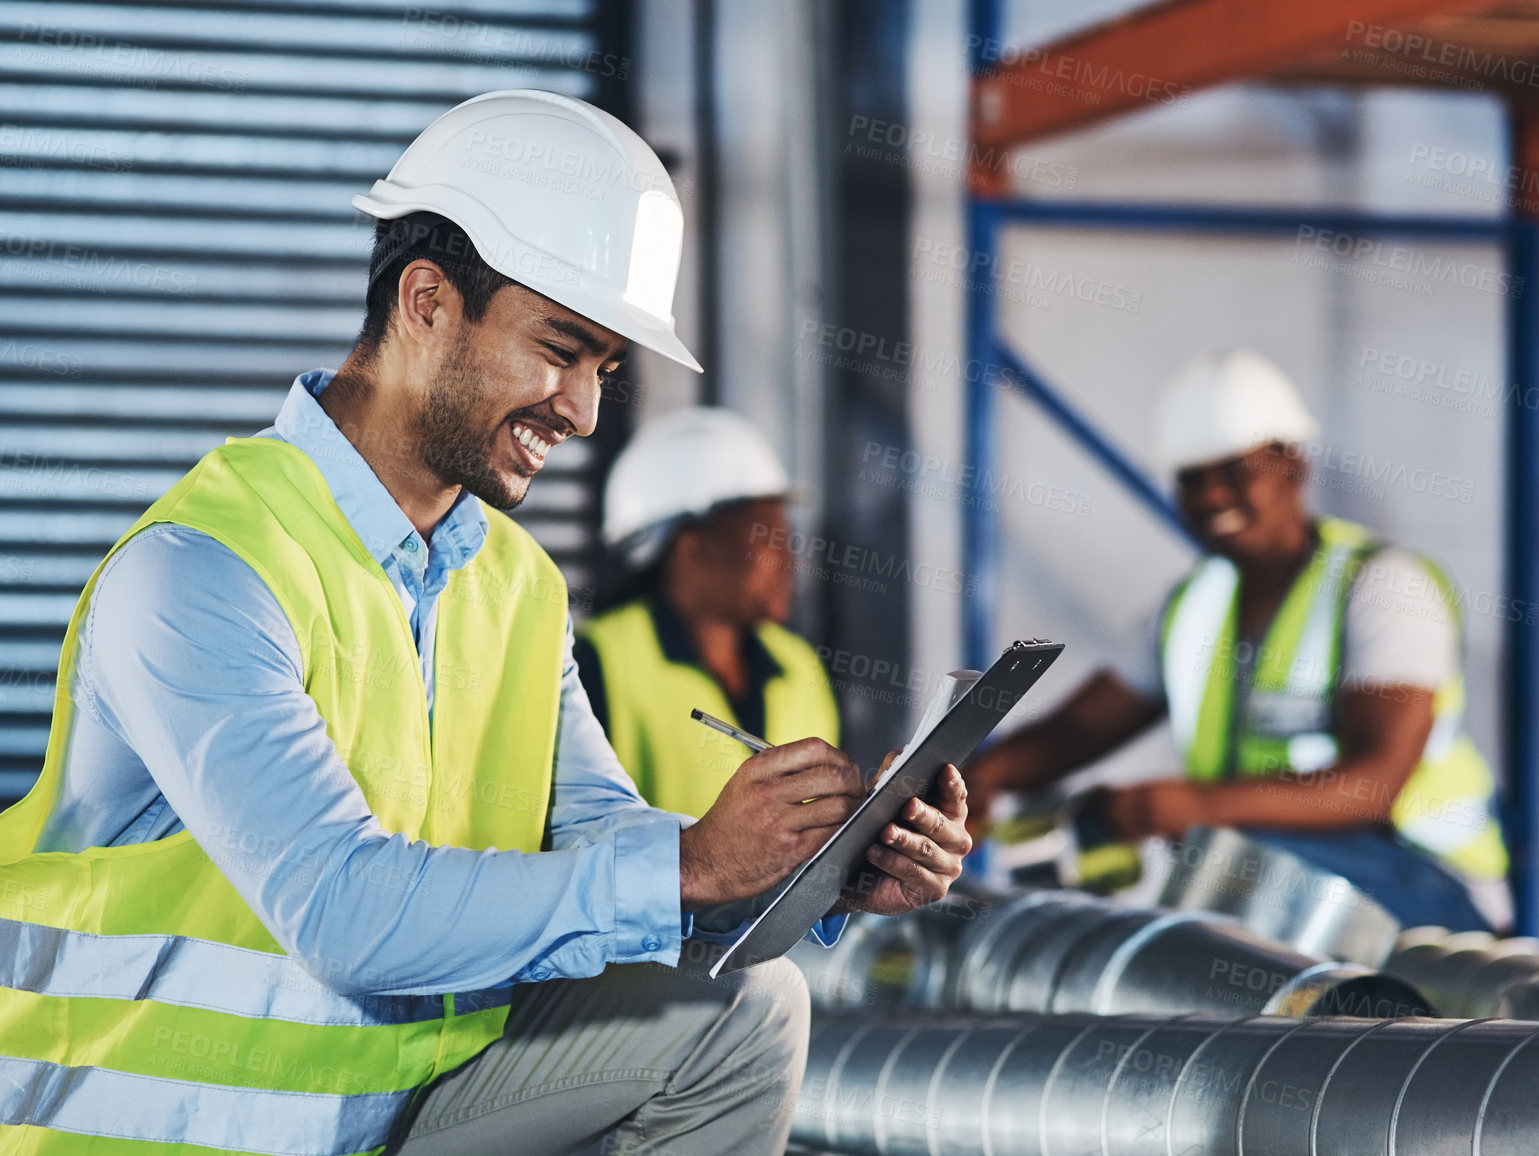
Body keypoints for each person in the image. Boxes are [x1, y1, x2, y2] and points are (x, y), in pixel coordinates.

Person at [0, 91, 970, 1156]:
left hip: (389, 1111)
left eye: (603, 368)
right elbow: (342, 911)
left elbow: (595, 828)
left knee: (745, 1012)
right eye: (559, 349)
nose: (583, 410)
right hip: (148, 1137)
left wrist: (803, 866)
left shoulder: (513, 584)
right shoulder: (202, 573)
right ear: (426, 302)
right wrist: (689, 863)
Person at [965, 349, 1509, 932]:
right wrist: (979, 780)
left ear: (1292, 465)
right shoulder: (1191, 608)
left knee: (1219, 888)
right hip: (1272, 872)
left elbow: (1372, 786)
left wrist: (1186, 806)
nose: (1212, 498)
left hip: (1428, 887)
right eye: (1192, 479)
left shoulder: (1382, 587)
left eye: (1235, 471)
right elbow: (1076, 732)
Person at [577, 407, 841, 817]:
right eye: (768, 537)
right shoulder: (597, 663)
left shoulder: (798, 664)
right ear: (692, 549)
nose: (789, 557)